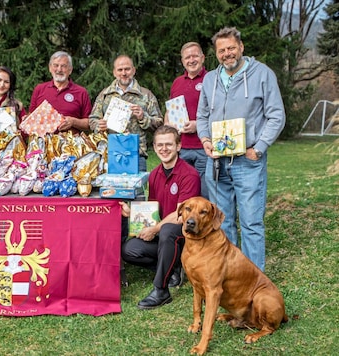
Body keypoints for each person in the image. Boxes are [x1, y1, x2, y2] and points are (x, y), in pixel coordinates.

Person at [196, 27, 286, 272]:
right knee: (221, 223)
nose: (227, 54)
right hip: (217, 163)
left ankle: (254, 278)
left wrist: (259, 148)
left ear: (241, 47)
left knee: (250, 222)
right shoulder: (210, 80)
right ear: (216, 53)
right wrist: (205, 140)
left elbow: (276, 116)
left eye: (231, 48)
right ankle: (231, 274)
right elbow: (202, 115)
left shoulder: (262, 74)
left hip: (248, 162)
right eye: (222, 50)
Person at [120, 125, 200, 309]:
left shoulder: (190, 175)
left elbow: (183, 216)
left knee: (168, 231)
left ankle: (161, 290)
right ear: (154, 148)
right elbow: (152, 211)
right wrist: (132, 214)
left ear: (179, 146)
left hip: (184, 234)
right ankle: (172, 269)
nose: (164, 149)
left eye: (169, 145)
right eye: (160, 145)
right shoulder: (154, 174)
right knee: (129, 249)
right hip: (163, 234)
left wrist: (155, 229)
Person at [89, 54, 163, 172]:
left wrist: (143, 117)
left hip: (136, 154)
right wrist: (99, 125)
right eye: (120, 70)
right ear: (114, 72)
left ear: (133, 70)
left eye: (127, 69)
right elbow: (92, 119)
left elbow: (159, 123)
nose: (124, 73)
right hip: (110, 154)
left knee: (136, 190)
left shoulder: (145, 95)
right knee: (112, 190)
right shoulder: (104, 95)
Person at [166, 42, 209, 198]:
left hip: (204, 146)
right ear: (182, 61)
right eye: (187, 57)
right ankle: (183, 222)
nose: (191, 60)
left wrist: (198, 125)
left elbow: (220, 112)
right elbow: (170, 111)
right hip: (182, 147)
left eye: (195, 56)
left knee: (205, 192)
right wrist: (168, 128)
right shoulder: (177, 82)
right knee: (184, 191)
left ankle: (207, 222)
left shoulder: (211, 80)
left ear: (202, 58)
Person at [29, 51, 92, 134]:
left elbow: (89, 124)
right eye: (56, 65)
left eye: (64, 66)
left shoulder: (81, 92)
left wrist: (73, 121)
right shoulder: (39, 89)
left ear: (70, 70)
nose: (59, 69)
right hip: (43, 143)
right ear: (50, 68)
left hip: (70, 144)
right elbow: (31, 117)